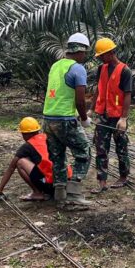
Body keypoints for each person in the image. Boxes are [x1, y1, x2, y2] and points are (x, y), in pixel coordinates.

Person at [42, 32, 93, 209]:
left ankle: (60, 193)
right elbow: (80, 99)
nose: (85, 56)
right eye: (85, 52)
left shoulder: (55, 66)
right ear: (80, 50)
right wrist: (85, 118)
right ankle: (73, 195)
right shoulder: (77, 68)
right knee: (84, 152)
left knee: (57, 157)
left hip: (48, 119)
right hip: (64, 120)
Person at [0, 117, 72, 201]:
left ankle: (37, 193)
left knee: (20, 162)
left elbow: (11, 167)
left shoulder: (27, 146)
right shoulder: (48, 137)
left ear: (24, 134)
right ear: (38, 130)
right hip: (67, 182)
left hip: (51, 186)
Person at [90, 38, 132, 194]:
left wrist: (123, 118)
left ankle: (123, 177)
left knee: (121, 147)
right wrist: (91, 109)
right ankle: (102, 181)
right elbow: (98, 90)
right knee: (100, 148)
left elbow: (127, 95)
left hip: (117, 116)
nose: (100, 58)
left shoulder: (125, 70)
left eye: (102, 55)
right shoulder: (101, 69)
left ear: (110, 53)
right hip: (103, 115)